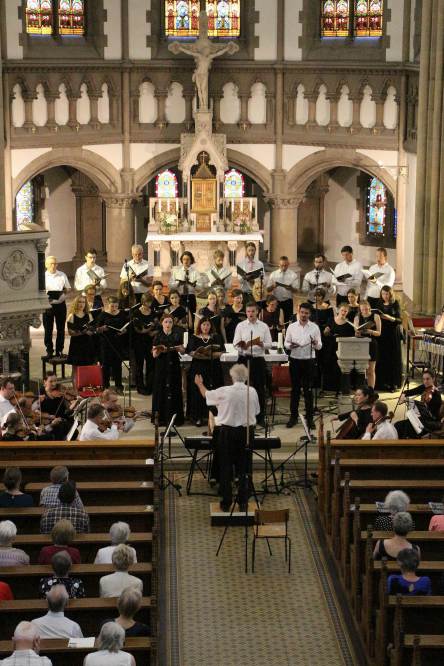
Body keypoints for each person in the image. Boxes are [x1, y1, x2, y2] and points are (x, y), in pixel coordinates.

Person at [194, 364, 260, 511]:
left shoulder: (225, 391)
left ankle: (226, 502)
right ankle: (243, 502)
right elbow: (256, 411)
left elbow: (206, 395)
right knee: (244, 467)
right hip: (246, 433)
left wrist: (199, 384)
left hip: (228, 432)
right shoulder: (252, 392)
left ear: (232, 377)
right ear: (246, 377)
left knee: (226, 466)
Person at [233, 302, 272, 426]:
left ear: (257, 312)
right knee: (241, 388)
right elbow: (235, 343)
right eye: (248, 311)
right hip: (244, 359)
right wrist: (242, 346)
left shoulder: (263, 326)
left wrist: (261, 344)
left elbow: (269, 344)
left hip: (258, 359)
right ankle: (242, 417)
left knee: (260, 389)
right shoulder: (240, 326)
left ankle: (260, 418)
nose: (250, 314)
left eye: (253, 311)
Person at [284, 302, 322, 429]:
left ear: (310, 314)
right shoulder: (291, 327)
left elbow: (320, 346)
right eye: (302, 312)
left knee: (308, 391)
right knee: (295, 390)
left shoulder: (314, 327)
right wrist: (291, 345)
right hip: (295, 360)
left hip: (308, 361)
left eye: (306, 313)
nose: (303, 315)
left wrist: (315, 343)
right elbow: (286, 343)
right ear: (298, 312)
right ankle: (293, 417)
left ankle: (309, 419)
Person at [187, 317, 223, 427]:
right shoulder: (194, 337)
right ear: (200, 326)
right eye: (203, 325)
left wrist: (209, 355)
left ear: (211, 326)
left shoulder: (216, 337)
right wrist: (200, 354)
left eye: (208, 325)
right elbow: (190, 352)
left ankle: (213, 415)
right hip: (198, 367)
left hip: (213, 367)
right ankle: (197, 416)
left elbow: (221, 352)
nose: (206, 327)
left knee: (213, 390)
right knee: (197, 392)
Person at [151, 314, 185, 426]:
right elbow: (154, 355)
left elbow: (182, 351)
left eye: (170, 322)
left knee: (174, 388)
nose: (168, 324)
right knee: (161, 389)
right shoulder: (158, 336)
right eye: (166, 322)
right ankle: (161, 418)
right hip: (161, 365)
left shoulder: (177, 335)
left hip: (174, 364)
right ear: (162, 323)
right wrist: (160, 350)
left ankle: (175, 418)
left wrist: (180, 348)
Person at [395, 369, 443, 438]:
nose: (425, 381)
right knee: (398, 425)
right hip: (423, 419)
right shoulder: (424, 387)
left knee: (407, 427)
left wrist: (420, 408)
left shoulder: (436, 395)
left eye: (428, 379)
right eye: (424, 379)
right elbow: (409, 392)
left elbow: (432, 416)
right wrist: (403, 395)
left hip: (432, 422)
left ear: (433, 379)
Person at [96, 297, 129, 394]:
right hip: (106, 342)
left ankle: (118, 386)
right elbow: (97, 329)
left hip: (118, 342)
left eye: (116, 306)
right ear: (108, 305)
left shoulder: (122, 314)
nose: (114, 308)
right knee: (105, 365)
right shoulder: (103, 315)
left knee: (117, 365)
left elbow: (126, 326)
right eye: (112, 306)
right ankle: (105, 386)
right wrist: (102, 328)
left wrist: (124, 331)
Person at [322, 303, 354, 394]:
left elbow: (351, 336)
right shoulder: (331, 319)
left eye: (345, 311)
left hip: (343, 349)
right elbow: (325, 333)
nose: (343, 312)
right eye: (342, 310)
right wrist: (326, 331)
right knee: (329, 366)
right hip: (330, 348)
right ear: (338, 310)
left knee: (340, 368)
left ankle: (340, 388)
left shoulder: (349, 323)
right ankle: (329, 388)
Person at [375, 286, 403, 392]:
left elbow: (400, 320)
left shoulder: (395, 303)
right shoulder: (379, 304)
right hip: (382, 333)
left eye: (387, 294)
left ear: (390, 294)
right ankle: (382, 383)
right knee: (382, 358)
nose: (385, 296)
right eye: (383, 294)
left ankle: (393, 384)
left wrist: (391, 318)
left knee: (392, 358)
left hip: (392, 333)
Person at [43, 255, 71, 358]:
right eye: (51, 264)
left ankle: (59, 350)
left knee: (61, 329)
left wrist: (64, 291)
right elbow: (39, 291)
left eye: (55, 263)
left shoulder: (62, 275)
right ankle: (49, 351)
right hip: (48, 305)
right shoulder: (42, 276)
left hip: (61, 305)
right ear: (46, 265)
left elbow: (68, 288)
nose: (54, 266)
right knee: (48, 329)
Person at [66, 294, 97, 381]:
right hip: (76, 345)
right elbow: (70, 332)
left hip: (88, 344)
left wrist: (92, 331)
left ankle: (87, 386)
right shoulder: (72, 316)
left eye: (83, 302)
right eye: (79, 302)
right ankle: (75, 388)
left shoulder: (89, 315)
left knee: (89, 367)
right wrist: (83, 332)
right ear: (76, 303)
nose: (81, 304)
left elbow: (92, 329)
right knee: (75, 369)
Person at [310, 288, 334, 391]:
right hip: (314, 333)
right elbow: (309, 319)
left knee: (324, 360)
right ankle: (315, 384)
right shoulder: (311, 307)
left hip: (324, 334)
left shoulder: (328, 307)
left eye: (319, 296)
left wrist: (328, 327)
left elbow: (331, 320)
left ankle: (325, 385)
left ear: (323, 297)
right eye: (315, 295)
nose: (317, 297)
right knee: (315, 359)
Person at [132, 294, 156, 395]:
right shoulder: (136, 312)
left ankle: (150, 386)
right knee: (139, 365)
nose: (148, 304)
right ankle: (140, 387)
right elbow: (138, 330)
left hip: (150, 341)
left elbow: (157, 326)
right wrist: (149, 329)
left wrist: (154, 329)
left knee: (151, 364)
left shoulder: (152, 312)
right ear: (142, 301)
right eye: (147, 302)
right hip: (139, 341)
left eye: (150, 302)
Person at [354, 300, 381, 388]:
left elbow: (379, 333)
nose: (365, 311)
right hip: (361, 344)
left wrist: (370, 331)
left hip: (372, 343)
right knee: (362, 370)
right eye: (363, 309)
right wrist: (357, 333)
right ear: (360, 309)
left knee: (371, 370)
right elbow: (356, 333)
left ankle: (371, 390)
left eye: (366, 309)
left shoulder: (376, 316)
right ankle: (363, 390)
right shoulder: (357, 317)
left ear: (369, 307)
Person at [169, 251, 202, 316]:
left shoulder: (195, 272)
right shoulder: (176, 271)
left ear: (191, 260)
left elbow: (200, 288)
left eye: (188, 259)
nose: (186, 261)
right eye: (184, 259)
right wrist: (178, 284)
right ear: (182, 260)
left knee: (191, 317)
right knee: (180, 316)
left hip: (191, 297)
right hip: (179, 297)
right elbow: (170, 286)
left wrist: (193, 284)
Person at [267, 256, 299, 322]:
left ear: (288, 264)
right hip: (276, 301)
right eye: (282, 265)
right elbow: (268, 289)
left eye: (285, 265)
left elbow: (296, 290)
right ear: (279, 264)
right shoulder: (273, 274)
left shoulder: (293, 275)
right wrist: (273, 286)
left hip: (288, 301)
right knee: (275, 320)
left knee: (288, 321)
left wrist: (291, 288)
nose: (284, 267)